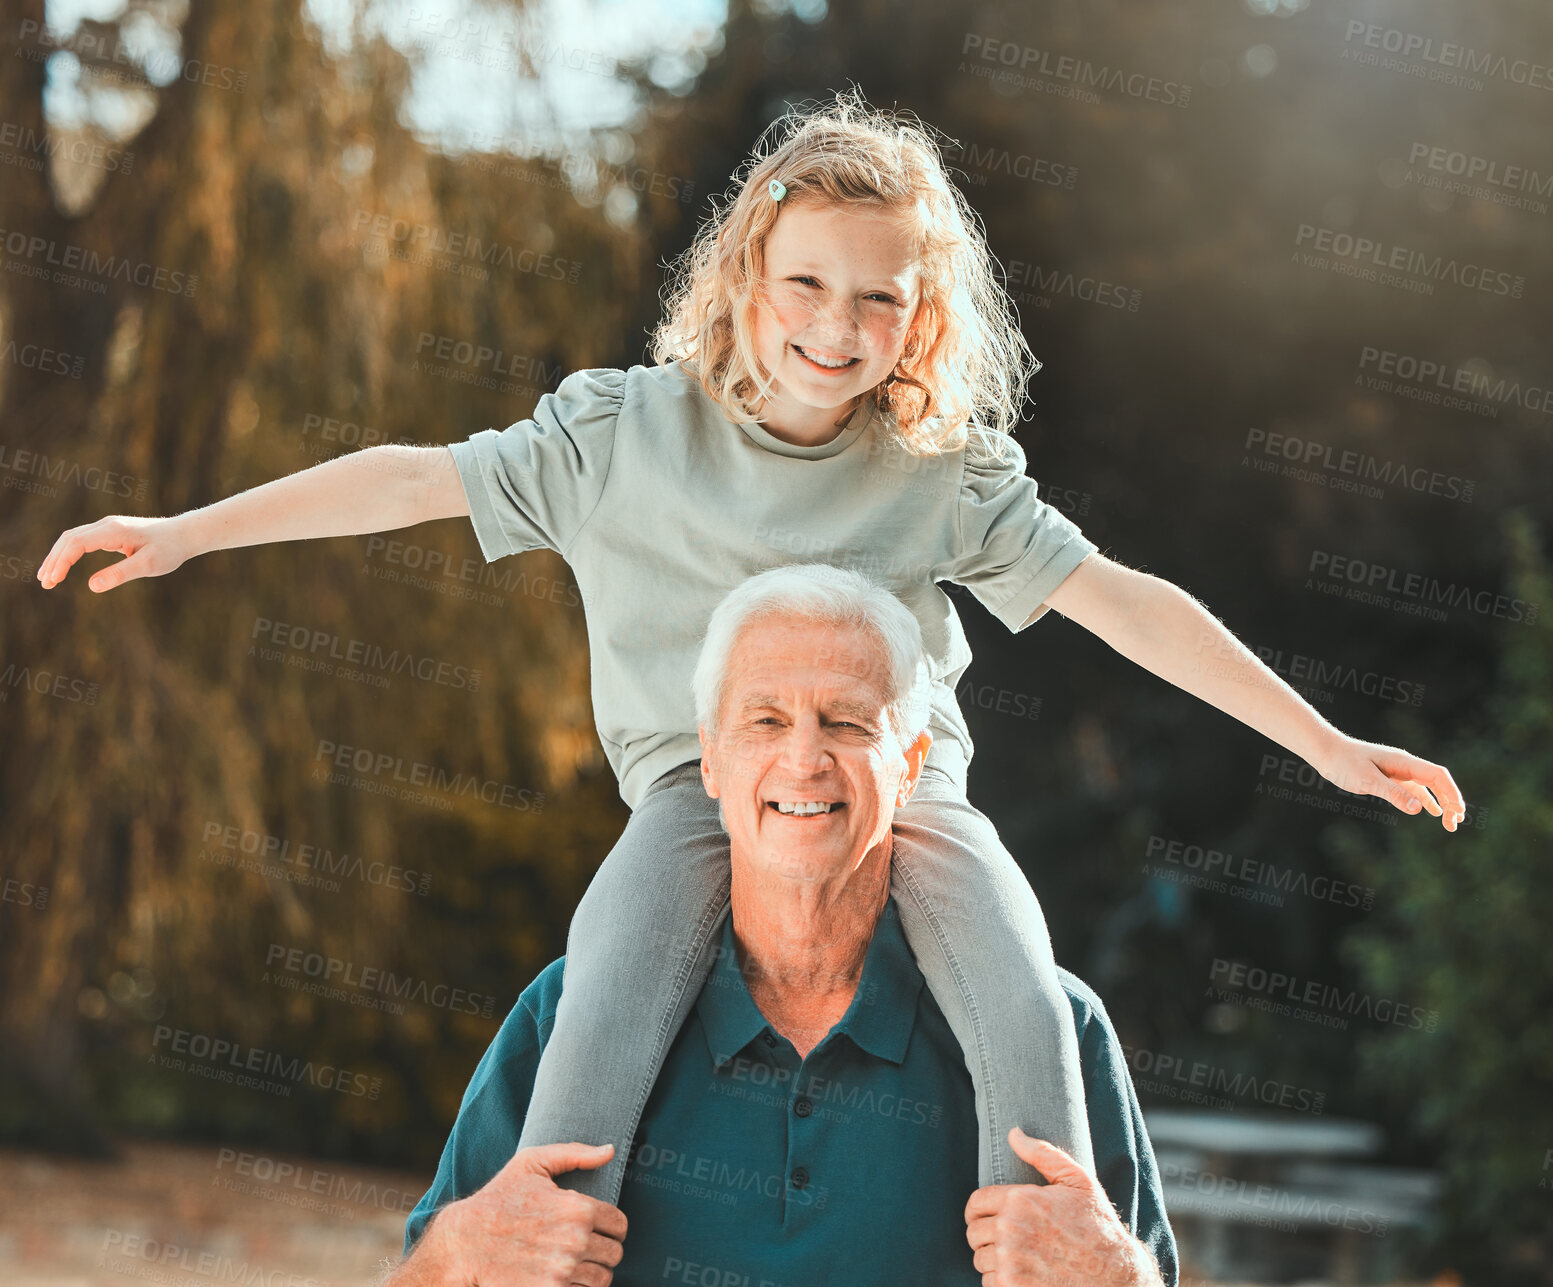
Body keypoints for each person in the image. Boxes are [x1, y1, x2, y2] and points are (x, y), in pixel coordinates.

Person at [35, 88, 1466, 1205]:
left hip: (904, 803)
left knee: (1027, 991)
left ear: (921, 318)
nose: (835, 329)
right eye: (806, 285)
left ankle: (1042, 1250)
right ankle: (547, 1238)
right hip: (691, 793)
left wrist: (1326, 744)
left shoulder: (936, 468)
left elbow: (1123, 598)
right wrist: (187, 528)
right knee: (607, 968)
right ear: (744, 278)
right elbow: (410, 475)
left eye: (877, 297)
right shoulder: (620, 436)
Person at [389, 563, 1178, 1286]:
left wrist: (1120, 1277)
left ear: (910, 764)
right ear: (708, 760)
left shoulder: (1053, 1025)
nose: (804, 758)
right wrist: (458, 1250)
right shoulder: (570, 1011)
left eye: (846, 721)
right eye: (765, 720)